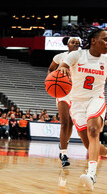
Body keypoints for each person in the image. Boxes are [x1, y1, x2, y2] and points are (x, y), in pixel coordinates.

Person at [58, 28, 107, 190]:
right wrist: (63, 69)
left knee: (93, 131)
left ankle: (92, 174)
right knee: (89, 145)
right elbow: (62, 67)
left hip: (96, 99)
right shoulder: (77, 55)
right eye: (105, 39)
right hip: (76, 102)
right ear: (93, 40)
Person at [47, 36, 80, 167]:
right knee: (64, 122)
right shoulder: (59, 57)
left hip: (76, 92)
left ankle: (64, 143)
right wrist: (51, 78)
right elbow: (50, 69)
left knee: (71, 124)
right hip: (62, 92)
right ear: (67, 44)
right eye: (73, 42)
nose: (76, 44)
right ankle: (63, 153)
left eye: (78, 43)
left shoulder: (81, 58)